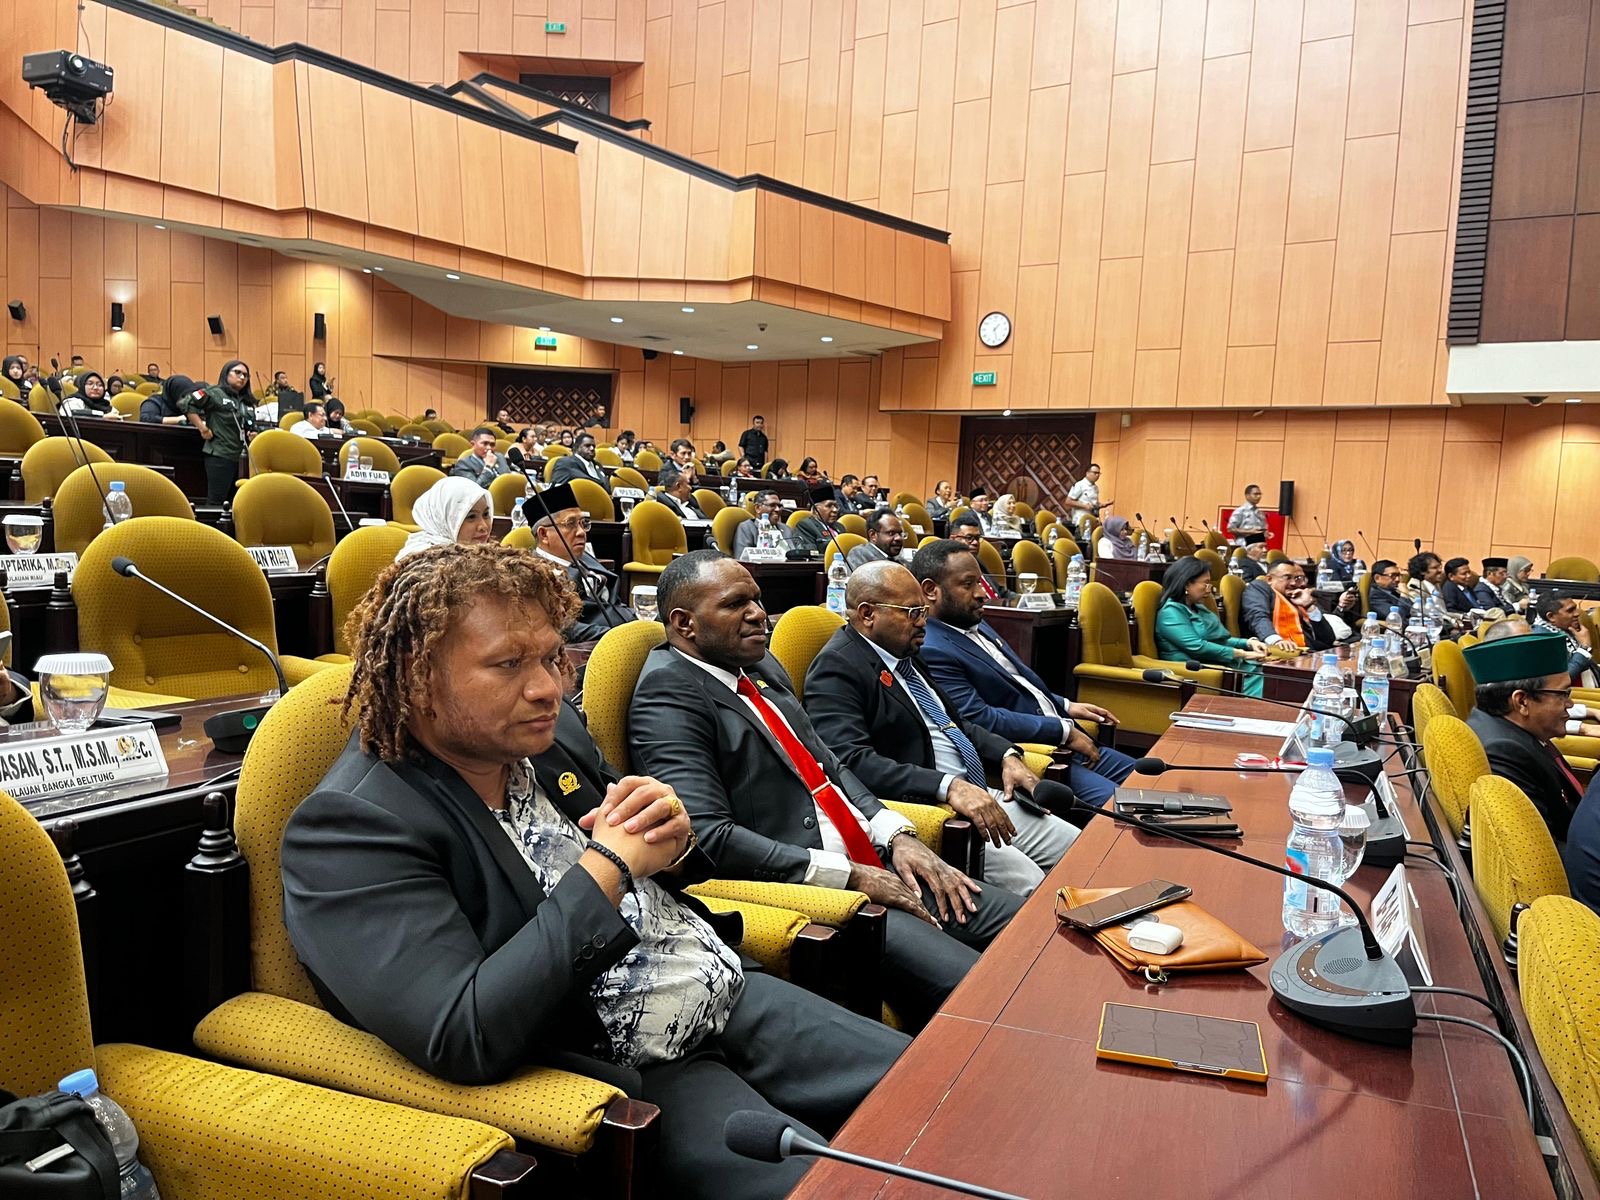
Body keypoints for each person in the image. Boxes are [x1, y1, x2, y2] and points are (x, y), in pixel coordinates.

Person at [281, 544, 906, 1200]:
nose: (547, 688)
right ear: (417, 677)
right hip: (630, 1067)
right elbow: (464, 1032)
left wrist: (670, 839)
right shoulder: (353, 827)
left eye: (551, 658)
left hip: (725, 987)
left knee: (945, 1090)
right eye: (508, 664)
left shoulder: (548, 739)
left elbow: (657, 866)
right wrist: (607, 864)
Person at [628, 551, 1026, 1027]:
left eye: (757, 599)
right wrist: (849, 875)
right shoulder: (668, 693)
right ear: (684, 623)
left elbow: (828, 762)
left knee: (1031, 926)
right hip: (827, 895)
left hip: (877, 860)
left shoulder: (758, 665)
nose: (758, 614)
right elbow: (709, 837)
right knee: (996, 991)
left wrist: (897, 835)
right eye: (736, 604)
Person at [805, 561, 1079, 896]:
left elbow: (956, 724)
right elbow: (850, 761)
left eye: (923, 610)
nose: (923, 621)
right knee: (1035, 885)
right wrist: (948, 787)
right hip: (938, 812)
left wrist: (1007, 755)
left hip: (982, 794)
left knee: (1080, 849)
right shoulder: (837, 668)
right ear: (867, 614)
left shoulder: (906, 652)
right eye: (912, 612)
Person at [914, 540, 1137, 808]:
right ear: (931, 590)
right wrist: (1062, 731)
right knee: (1130, 809)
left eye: (980, 582)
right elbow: (979, 718)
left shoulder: (974, 623)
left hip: (1069, 743)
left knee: (1158, 783)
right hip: (1043, 755)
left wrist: (1066, 705)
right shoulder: (933, 648)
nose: (982, 593)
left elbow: (1015, 684)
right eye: (968, 584)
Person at [1463, 632, 1585, 846]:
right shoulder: (1502, 752)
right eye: (1562, 694)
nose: (1570, 704)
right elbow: (1541, 851)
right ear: (1521, 702)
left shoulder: (1514, 727)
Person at [529, 483, 634, 640]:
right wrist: (623, 636)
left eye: (583, 523)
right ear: (544, 535)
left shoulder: (584, 557)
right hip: (600, 644)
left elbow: (614, 603)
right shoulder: (536, 573)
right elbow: (565, 628)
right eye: (570, 524)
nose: (581, 532)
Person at [1154, 558, 1269, 697]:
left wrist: (1248, 643)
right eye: (1206, 583)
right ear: (1186, 584)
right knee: (1266, 684)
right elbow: (1197, 646)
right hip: (1197, 672)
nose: (1210, 588)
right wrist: (1242, 653)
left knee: (1269, 676)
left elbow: (1219, 640)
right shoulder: (1170, 612)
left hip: (1219, 664)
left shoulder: (1198, 607)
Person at [181, 358, 258, 503]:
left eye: (246, 375)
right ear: (226, 374)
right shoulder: (214, 393)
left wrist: (253, 433)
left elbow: (249, 425)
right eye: (237, 372)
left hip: (243, 459)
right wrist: (202, 428)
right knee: (217, 501)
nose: (242, 377)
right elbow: (186, 403)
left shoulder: (247, 401)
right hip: (220, 454)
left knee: (239, 502)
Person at [1241, 559, 1349, 652]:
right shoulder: (1259, 588)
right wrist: (1276, 641)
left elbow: (1328, 640)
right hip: (1273, 652)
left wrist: (1309, 606)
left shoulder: (1294, 596)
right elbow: (1257, 616)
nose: (1293, 583)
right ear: (1270, 579)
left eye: (1296, 578)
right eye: (1287, 577)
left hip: (1305, 652)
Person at [396, 477, 494, 560]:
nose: (484, 526)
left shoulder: (488, 553)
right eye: (471, 517)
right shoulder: (422, 562)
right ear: (445, 521)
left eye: (486, 514)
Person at [1532, 593, 1598, 688]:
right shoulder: (1542, 640)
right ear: (1551, 616)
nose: (1577, 613)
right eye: (1570, 610)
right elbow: (1560, 681)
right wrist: (1584, 648)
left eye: (1575, 608)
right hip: (1576, 695)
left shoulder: (1565, 628)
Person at [947, 513, 1011, 600]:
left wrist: (1022, 599)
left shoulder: (977, 562)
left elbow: (1001, 592)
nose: (975, 542)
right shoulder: (949, 568)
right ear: (953, 539)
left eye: (977, 538)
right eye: (969, 538)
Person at [730, 490, 797, 558]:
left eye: (779, 506)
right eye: (772, 505)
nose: (777, 509)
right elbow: (742, 558)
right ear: (758, 508)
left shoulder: (787, 529)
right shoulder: (746, 528)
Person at [544, 431, 610, 493]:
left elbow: (607, 487)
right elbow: (555, 490)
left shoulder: (598, 465)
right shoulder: (566, 463)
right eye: (587, 446)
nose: (592, 448)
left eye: (593, 446)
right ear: (577, 448)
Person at [449, 426, 514, 486]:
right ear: (473, 444)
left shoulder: (500, 457)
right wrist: (488, 467)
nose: (489, 448)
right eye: (485, 443)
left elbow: (509, 479)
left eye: (492, 444)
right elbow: (474, 489)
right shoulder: (463, 464)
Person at [792, 485, 847, 556]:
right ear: (816, 510)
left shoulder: (840, 527)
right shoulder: (806, 526)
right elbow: (812, 554)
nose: (835, 510)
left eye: (836, 506)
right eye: (829, 506)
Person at [1064, 464, 1106, 537]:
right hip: (1080, 522)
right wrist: (1084, 506)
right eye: (1095, 473)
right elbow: (1068, 502)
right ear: (1087, 473)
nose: (1097, 475)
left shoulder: (1096, 487)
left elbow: (1092, 504)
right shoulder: (1080, 485)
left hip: (1092, 521)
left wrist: (1101, 505)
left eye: (1099, 473)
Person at [1368, 559, 1411, 624]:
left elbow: (1414, 612)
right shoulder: (1375, 596)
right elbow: (1397, 617)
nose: (1397, 579)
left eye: (1398, 575)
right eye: (1393, 575)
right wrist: (1404, 595)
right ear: (1377, 578)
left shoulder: (1394, 591)